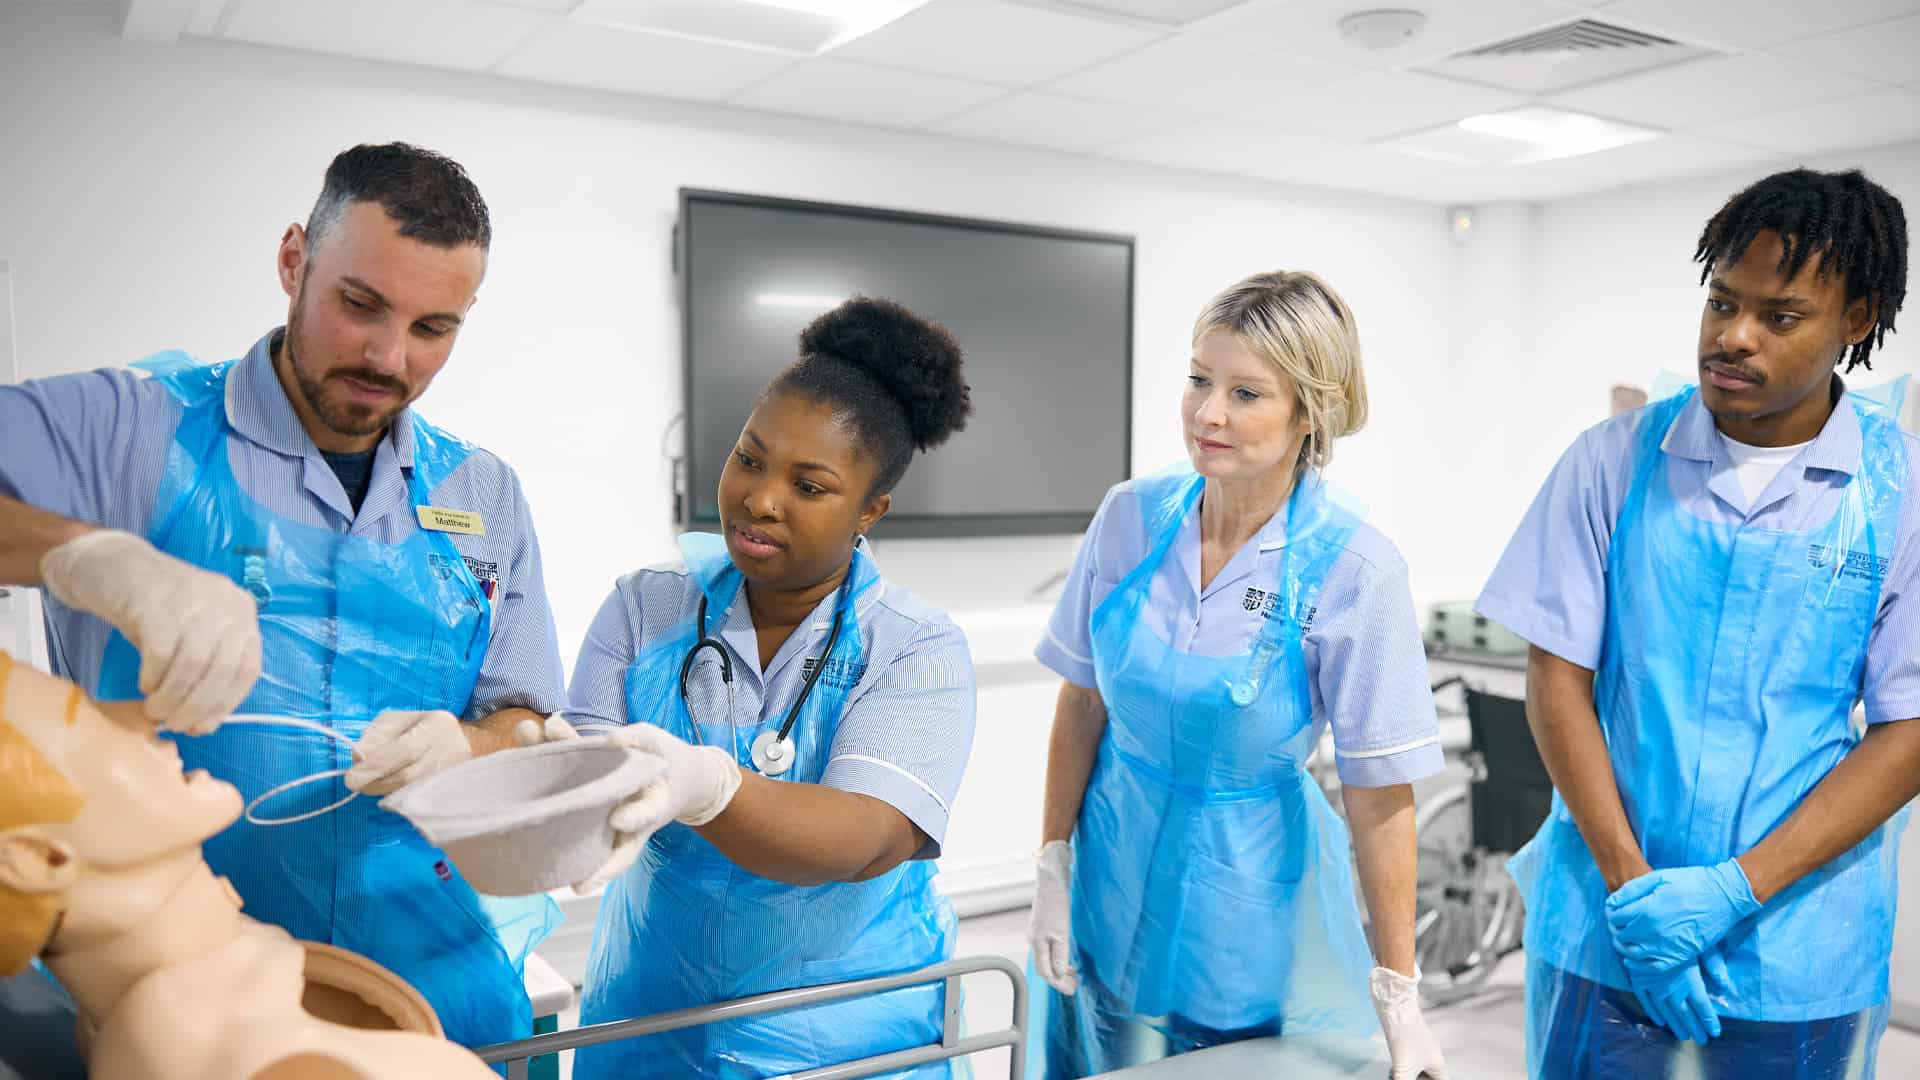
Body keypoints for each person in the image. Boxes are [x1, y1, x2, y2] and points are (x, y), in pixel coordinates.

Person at [0, 142, 567, 1048]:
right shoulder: (136, 434)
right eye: (360, 305)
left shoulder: (480, 493)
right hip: (185, 997)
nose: (389, 357)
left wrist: (469, 744)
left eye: (434, 329)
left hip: (435, 992)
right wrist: (88, 556)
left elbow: (526, 717)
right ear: (294, 260)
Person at [1478, 167, 1920, 1078]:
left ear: (1859, 318)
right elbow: (1558, 680)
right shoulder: (1613, 463)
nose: (1733, 336)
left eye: (1781, 316)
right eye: (1722, 300)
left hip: (1793, 942)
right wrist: (1634, 891)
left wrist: (1732, 891)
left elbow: (1910, 729)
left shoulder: (1900, 494)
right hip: (1608, 925)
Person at [523, 296, 977, 1078]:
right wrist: (495, 758)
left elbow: (865, 837)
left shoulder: (915, 650)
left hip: (844, 1042)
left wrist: (707, 787)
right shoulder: (646, 607)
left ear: (872, 509)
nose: (760, 498)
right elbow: (582, 777)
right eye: (750, 457)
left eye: (810, 486)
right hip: (651, 1021)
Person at [1026, 271, 1449, 1078]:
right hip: (1109, 866)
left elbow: (1380, 792)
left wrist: (1399, 990)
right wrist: (1052, 861)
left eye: (1246, 393)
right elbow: (1082, 701)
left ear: (1310, 412)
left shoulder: (1354, 569)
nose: (1207, 413)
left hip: (1243, 889)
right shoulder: (1129, 519)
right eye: (1198, 380)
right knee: (1095, 1052)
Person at [0, 650, 500, 1079]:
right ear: (39, 858)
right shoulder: (231, 1050)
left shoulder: (194, 991)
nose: (141, 713)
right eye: (89, 723)